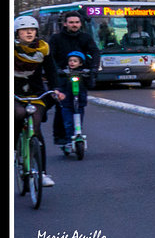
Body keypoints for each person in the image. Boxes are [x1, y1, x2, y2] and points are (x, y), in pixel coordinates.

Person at [14, 15, 64, 188]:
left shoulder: (43, 48)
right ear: (17, 32)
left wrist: (56, 88)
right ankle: (13, 151)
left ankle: (42, 174)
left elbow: (51, 71)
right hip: (14, 92)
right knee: (18, 114)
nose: (29, 32)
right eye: (24, 29)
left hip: (36, 93)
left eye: (32, 29)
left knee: (35, 126)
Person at [47, 10, 99, 150]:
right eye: (71, 22)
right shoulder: (56, 38)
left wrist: (93, 69)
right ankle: (61, 137)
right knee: (61, 107)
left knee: (80, 105)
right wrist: (56, 70)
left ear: (80, 23)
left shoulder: (86, 38)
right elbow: (50, 56)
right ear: (65, 24)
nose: (74, 25)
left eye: (77, 22)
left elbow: (94, 52)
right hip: (62, 76)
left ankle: (77, 132)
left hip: (81, 76)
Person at [54, 51, 91, 155]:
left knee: (78, 123)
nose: (72, 63)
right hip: (67, 103)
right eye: (70, 60)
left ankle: (78, 135)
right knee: (68, 123)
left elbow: (91, 84)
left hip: (80, 103)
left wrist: (90, 74)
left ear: (80, 63)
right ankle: (69, 141)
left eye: (75, 61)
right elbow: (59, 85)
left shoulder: (84, 74)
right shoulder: (64, 74)